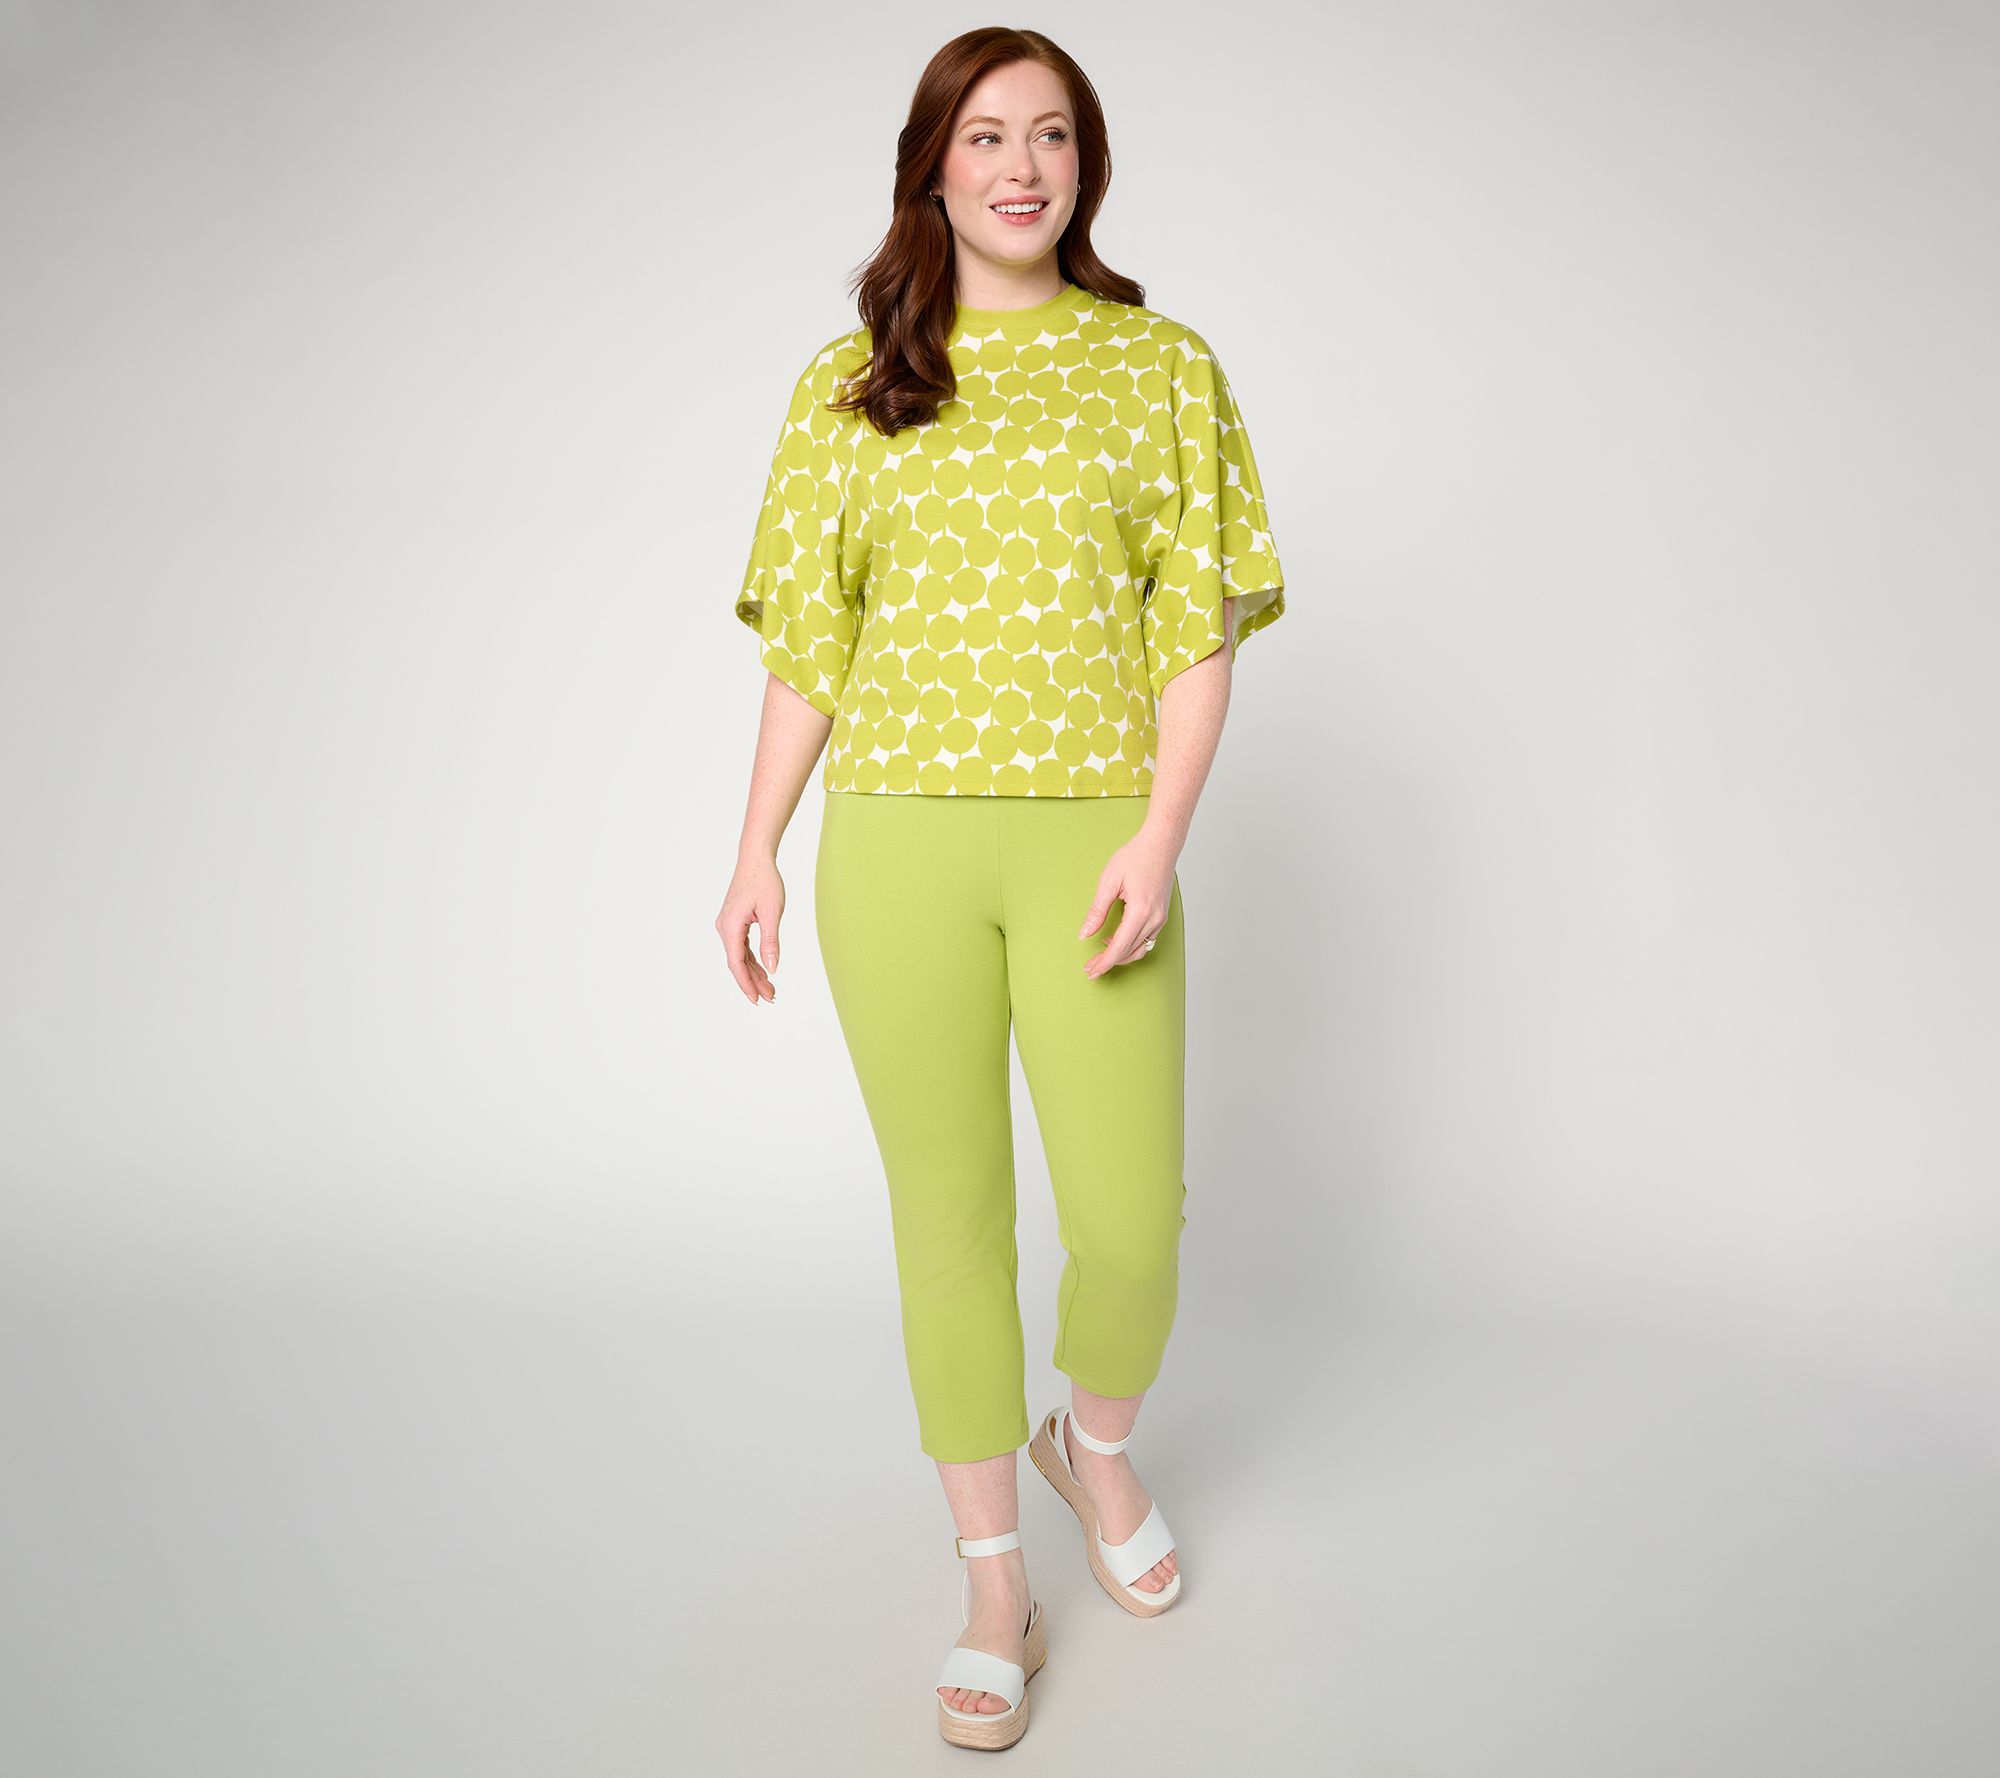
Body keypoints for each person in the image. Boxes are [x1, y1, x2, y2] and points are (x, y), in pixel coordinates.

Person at [715, 26, 1286, 1752]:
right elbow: (811, 646)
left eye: (1051, 135)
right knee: (949, 1218)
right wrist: (753, 844)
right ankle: (991, 1586)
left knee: (1127, 1219)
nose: (1020, 166)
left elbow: (1196, 632)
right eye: (985, 136)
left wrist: (1158, 833)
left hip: (1095, 837)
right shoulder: (849, 383)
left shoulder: (1159, 367)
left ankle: (1089, 1445)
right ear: (933, 167)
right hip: (896, 841)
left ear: (1084, 166)